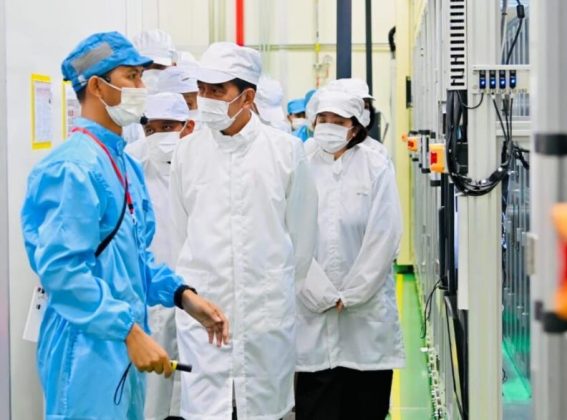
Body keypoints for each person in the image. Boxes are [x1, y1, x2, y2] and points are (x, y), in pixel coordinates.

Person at [21, 32, 228, 419]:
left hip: (121, 345)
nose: (141, 88)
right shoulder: (72, 168)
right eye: (131, 77)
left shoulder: (124, 164)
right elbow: (63, 271)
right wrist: (128, 331)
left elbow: (134, 260)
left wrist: (183, 295)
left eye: (141, 77)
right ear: (97, 87)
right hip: (84, 351)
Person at [170, 41, 318, 420]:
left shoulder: (286, 152)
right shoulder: (186, 153)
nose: (205, 99)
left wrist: (272, 289)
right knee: (206, 410)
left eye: (217, 90)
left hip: (264, 317)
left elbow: (302, 240)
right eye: (202, 89)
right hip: (204, 315)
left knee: (263, 409)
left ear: (247, 97)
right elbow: (179, 235)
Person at [295, 89, 405, 420]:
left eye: (338, 121)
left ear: (355, 127)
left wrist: (353, 293)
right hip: (312, 307)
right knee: (317, 403)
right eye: (323, 119)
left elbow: (385, 234)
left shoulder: (376, 164)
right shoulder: (300, 162)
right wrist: (317, 290)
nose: (328, 126)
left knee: (365, 403)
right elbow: (290, 232)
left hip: (365, 311)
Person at [126, 92, 195, 420]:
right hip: (154, 301)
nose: (157, 136)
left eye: (167, 127)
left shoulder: (204, 169)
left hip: (196, 300)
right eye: (150, 129)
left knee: (196, 399)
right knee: (152, 403)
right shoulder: (134, 170)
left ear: (187, 127)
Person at [305, 78, 389, 158]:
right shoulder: (310, 151)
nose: (360, 111)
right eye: (323, 121)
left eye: (365, 106)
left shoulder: (376, 152)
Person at [123, 29, 176, 144]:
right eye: (145, 68)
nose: (152, 74)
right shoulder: (125, 114)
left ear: (174, 65)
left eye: (159, 67)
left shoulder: (187, 107)